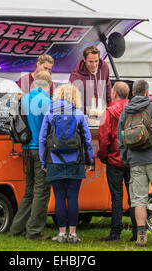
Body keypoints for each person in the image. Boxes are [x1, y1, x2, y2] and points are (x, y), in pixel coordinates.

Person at [117, 80, 152, 247]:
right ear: (147, 92)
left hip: (136, 161)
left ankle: (141, 237)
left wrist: (127, 157)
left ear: (133, 93)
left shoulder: (125, 111)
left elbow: (120, 138)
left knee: (138, 200)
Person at [39, 84, 93, 243]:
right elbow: (87, 141)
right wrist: (88, 160)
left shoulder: (50, 114)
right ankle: (73, 234)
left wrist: (43, 162)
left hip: (55, 161)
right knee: (73, 197)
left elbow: (42, 140)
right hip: (75, 161)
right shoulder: (79, 115)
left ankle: (62, 233)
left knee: (59, 198)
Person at [8, 71, 53, 240]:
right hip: (40, 150)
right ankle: (34, 231)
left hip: (26, 147)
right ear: (48, 84)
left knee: (29, 191)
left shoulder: (23, 99)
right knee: (41, 191)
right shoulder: (48, 102)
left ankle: (16, 228)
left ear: (35, 82)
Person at [97, 81, 138, 242]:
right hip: (133, 158)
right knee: (135, 197)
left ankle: (115, 233)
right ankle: (137, 232)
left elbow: (103, 137)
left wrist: (103, 156)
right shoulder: (134, 110)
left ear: (114, 93)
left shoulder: (109, 111)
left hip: (114, 159)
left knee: (116, 197)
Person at [69, 46, 112, 114]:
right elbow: (73, 99)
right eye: (91, 62)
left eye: (96, 61)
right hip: (85, 114)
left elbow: (108, 87)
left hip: (102, 111)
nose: (94, 65)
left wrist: (111, 106)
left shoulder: (104, 67)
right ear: (84, 59)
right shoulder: (75, 76)